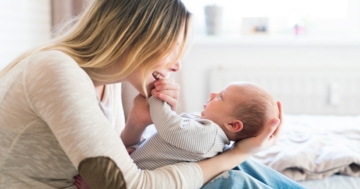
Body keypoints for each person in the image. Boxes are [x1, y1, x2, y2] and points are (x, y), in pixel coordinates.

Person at [0, 0, 305, 189]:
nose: (178, 64)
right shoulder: (57, 71)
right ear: (138, 40)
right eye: (174, 50)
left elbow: (96, 159)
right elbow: (126, 185)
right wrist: (237, 152)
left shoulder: (108, 79)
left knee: (239, 166)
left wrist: (135, 123)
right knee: (231, 175)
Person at [127, 81, 278, 170]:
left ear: (232, 124)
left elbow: (170, 127)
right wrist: (139, 148)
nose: (212, 94)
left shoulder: (209, 136)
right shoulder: (206, 129)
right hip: (134, 165)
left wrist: (157, 97)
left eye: (220, 97)